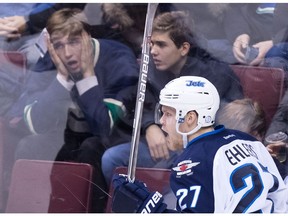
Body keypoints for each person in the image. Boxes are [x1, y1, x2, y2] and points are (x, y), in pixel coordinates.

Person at [8, 8, 139, 212]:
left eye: (74, 42)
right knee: (29, 146)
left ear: (87, 37)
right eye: (59, 45)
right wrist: (62, 80)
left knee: (91, 147)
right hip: (67, 137)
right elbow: (35, 124)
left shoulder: (118, 58)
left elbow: (104, 129)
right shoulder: (51, 61)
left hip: (113, 141)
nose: (67, 53)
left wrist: (87, 76)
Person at [101, 10, 244, 188]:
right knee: (111, 159)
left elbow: (230, 125)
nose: (153, 51)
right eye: (151, 44)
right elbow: (137, 99)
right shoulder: (151, 67)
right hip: (163, 143)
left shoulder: (214, 75)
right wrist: (149, 126)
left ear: (184, 48)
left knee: (172, 172)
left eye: (161, 45)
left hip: (199, 152)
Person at [111, 76, 288, 213]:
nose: (162, 122)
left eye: (168, 114)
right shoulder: (246, 140)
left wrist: (148, 209)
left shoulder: (192, 163)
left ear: (190, 118)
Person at [225, 3, 288, 70]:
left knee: (275, 57)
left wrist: (275, 42)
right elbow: (234, 10)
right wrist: (240, 34)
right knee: (216, 48)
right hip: (251, 41)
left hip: (282, 43)